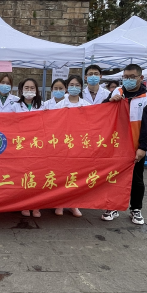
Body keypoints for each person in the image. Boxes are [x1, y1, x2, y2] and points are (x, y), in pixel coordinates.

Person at [101, 64, 147, 225]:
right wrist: (109, 101)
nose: (128, 80)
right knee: (113, 177)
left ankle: (136, 208)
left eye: (132, 77)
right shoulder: (117, 92)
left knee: (136, 179)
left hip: (134, 146)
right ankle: (112, 206)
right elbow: (101, 111)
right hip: (115, 146)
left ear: (141, 78)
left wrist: (143, 147)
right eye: (125, 77)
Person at [53, 75, 89, 218]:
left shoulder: (86, 105)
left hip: (80, 144)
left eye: (77, 85)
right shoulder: (60, 105)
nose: (74, 87)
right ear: (67, 87)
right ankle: (60, 204)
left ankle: (74, 204)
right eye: (71, 85)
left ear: (81, 87)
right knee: (62, 174)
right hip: (63, 143)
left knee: (76, 174)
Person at [13, 79, 44, 218]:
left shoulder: (43, 106)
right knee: (24, 175)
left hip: (38, 145)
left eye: (32, 88)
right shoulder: (15, 106)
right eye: (26, 87)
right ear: (21, 90)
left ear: (36, 90)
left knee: (37, 175)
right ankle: (25, 204)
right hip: (21, 145)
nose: (29, 90)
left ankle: (36, 205)